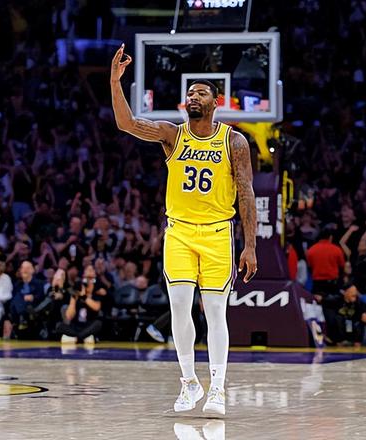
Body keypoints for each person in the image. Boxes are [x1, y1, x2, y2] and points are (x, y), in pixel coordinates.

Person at [111, 44, 257, 416]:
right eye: (190, 92)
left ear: (215, 102)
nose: (193, 96)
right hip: (179, 232)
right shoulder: (172, 135)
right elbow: (127, 124)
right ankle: (190, 383)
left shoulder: (234, 141)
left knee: (215, 311)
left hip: (217, 233)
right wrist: (115, 81)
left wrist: (250, 245)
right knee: (178, 306)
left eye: (201, 93)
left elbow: (246, 194)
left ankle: (218, 388)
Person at [57, 271, 103, 345]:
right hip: (75, 326)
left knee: (98, 323)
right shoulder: (75, 297)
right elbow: (69, 316)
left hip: (88, 326)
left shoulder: (94, 295)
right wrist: (73, 299)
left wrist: (84, 297)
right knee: (59, 325)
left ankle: (75, 338)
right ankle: (83, 338)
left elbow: (96, 307)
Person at [307, 225, 345, 308]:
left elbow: (310, 266)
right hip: (332, 285)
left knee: (317, 307)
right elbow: (342, 266)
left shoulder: (311, 250)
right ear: (330, 237)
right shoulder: (336, 250)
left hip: (317, 285)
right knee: (332, 307)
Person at [8, 260, 46, 337]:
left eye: (28, 268)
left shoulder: (39, 283)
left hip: (33, 307)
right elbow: (12, 300)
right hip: (19, 309)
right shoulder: (17, 284)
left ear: (33, 271)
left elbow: (41, 296)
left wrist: (33, 297)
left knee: (19, 297)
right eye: (23, 268)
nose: (25, 270)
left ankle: (22, 319)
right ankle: (22, 318)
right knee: (18, 296)